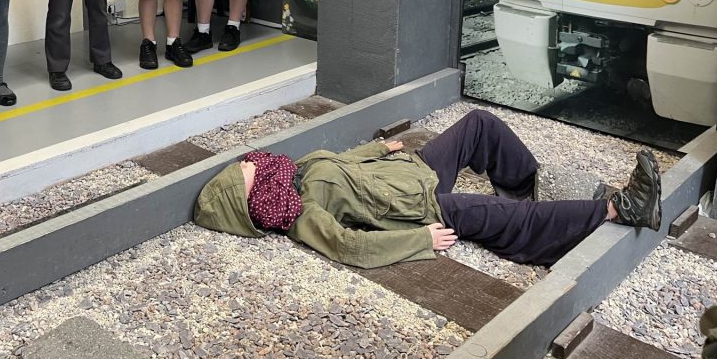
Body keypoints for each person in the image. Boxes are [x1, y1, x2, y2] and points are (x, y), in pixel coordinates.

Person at [194, 109, 662, 268]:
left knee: (479, 124)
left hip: (412, 172)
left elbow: (340, 162)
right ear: (248, 202)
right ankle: (619, 209)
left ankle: (527, 185)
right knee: (497, 218)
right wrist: (421, 239)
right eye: (247, 175)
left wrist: (380, 148)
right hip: (420, 209)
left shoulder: (290, 173)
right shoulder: (298, 212)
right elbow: (350, 245)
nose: (252, 165)